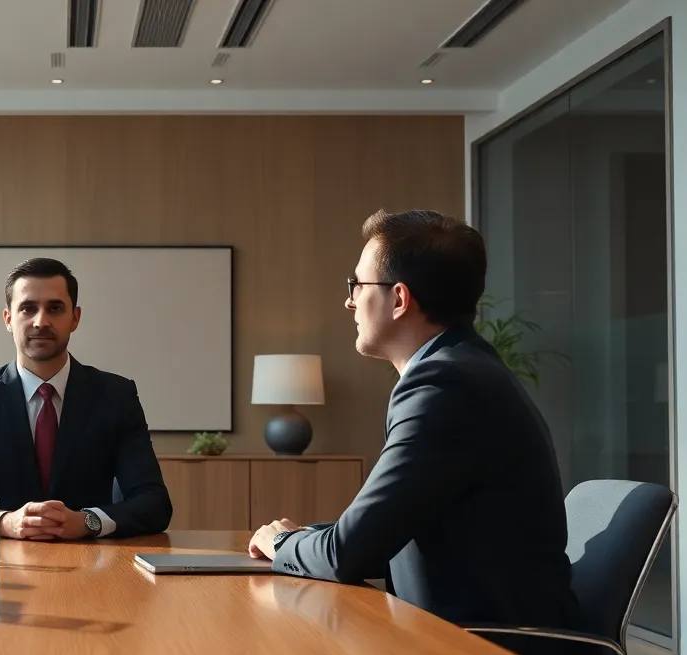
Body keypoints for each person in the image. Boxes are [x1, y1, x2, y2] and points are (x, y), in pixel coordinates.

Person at [248, 209, 579, 628]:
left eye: (357, 285)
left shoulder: (444, 385)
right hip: (463, 635)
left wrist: (283, 543)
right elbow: (386, 528)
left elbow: (347, 555)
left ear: (400, 299)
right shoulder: (464, 367)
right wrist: (307, 538)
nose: (349, 300)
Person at [0, 257, 172, 540]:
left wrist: (88, 521)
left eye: (55, 308)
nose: (41, 321)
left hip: (95, 567)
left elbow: (154, 503)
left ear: (75, 318)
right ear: (8, 319)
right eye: (28, 308)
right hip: (2, 566)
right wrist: (3, 521)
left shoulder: (116, 396)